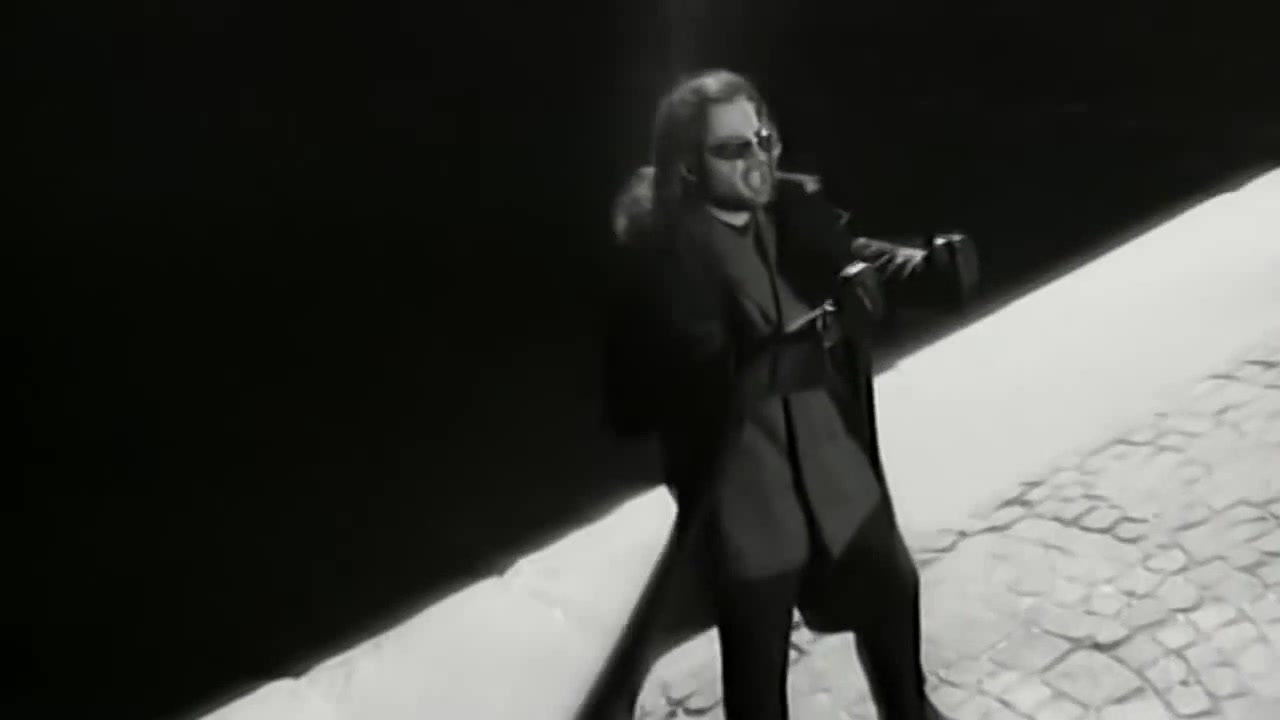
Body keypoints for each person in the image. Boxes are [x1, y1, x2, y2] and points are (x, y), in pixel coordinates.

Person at [590, 69, 960, 720]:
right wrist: (807, 341)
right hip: (747, 498)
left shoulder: (789, 209)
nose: (757, 159)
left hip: (834, 470)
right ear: (689, 167)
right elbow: (668, 387)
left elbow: (851, 254)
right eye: (732, 149)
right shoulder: (666, 263)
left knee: (892, 594)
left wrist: (926, 268)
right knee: (758, 678)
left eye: (764, 139)